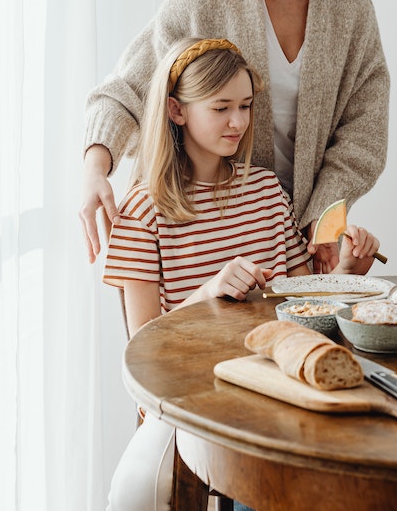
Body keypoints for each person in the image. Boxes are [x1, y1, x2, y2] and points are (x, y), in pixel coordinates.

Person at [104, 37, 381, 511]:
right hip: (194, 393)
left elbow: (305, 304)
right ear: (176, 110)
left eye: (246, 106)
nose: (239, 122)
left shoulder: (265, 190)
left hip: (277, 381)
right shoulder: (141, 210)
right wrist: (210, 290)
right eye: (221, 108)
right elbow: (143, 343)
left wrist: (351, 272)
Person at [80, 0, 390, 270]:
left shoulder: (352, 13)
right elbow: (129, 89)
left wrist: (320, 215)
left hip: (286, 235)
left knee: (290, 333)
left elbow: (363, 133)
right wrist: (95, 167)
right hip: (190, 231)